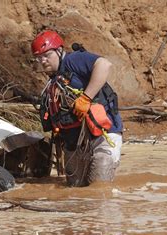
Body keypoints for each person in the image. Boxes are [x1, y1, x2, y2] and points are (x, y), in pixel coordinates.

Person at [31, 30, 123, 187]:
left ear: (59, 50)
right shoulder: (53, 82)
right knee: (75, 188)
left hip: (103, 135)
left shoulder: (73, 60)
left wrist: (86, 98)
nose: (43, 60)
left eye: (47, 55)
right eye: (39, 57)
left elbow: (104, 64)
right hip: (73, 142)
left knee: (99, 180)